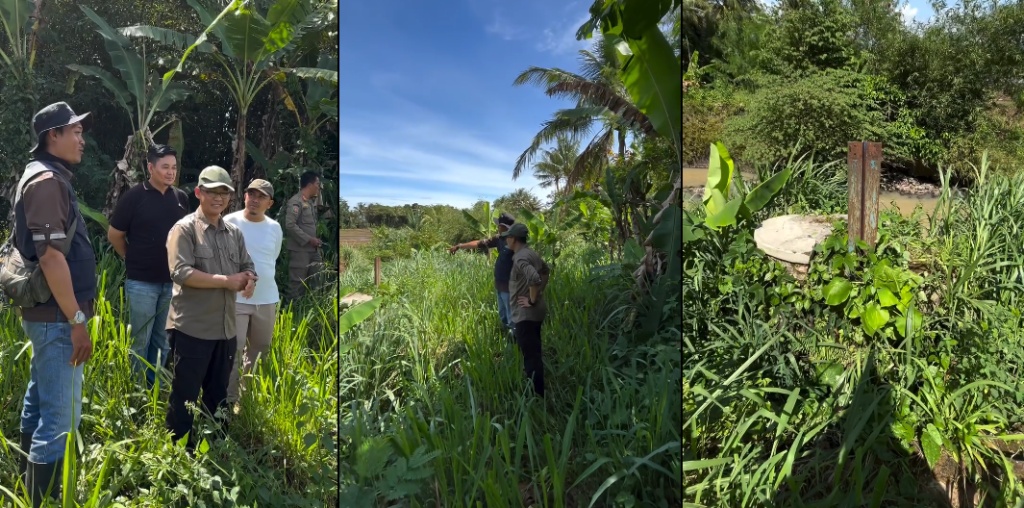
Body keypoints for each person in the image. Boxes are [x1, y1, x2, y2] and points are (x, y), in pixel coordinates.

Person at [13, 102, 96, 506]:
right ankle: (42, 501)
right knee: (60, 421)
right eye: (74, 132)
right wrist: (76, 319)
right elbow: (50, 258)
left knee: (40, 398)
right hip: (58, 318)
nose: (82, 138)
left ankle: (24, 482)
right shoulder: (46, 181)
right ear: (53, 136)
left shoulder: (49, 176)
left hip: (49, 315)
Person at [165, 166, 257, 453]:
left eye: (224, 192)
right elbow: (180, 272)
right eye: (211, 192)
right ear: (198, 193)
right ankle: (179, 450)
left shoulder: (234, 234)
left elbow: (248, 266)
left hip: (225, 328)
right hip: (192, 328)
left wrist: (250, 280)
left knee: (218, 392)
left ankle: (216, 444)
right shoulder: (184, 229)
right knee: (185, 393)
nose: (218, 198)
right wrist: (227, 282)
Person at [108, 144, 190, 388]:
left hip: (171, 283)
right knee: (139, 339)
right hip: (142, 283)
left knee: (163, 340)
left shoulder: (181, 199)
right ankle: (136, 389)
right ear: (150, 167)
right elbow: (115, 234)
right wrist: (130, 258)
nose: (170, 172)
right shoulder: (134, 197)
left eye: (173, 167)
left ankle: (154, 389)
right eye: (165, 167)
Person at [224, 179, 282, 408]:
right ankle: (227, 403)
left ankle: (248, 403)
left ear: (270, 203)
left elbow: (271, 258)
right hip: (235, 299)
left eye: (261, 196)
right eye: (251, 194)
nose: (255, 200)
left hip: (266, 299)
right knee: (233, 350)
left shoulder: (274, 227)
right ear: (245, 196)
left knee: (260, 351)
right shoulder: (229, 222)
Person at [502, 223, 551, 397]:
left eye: (508, 236)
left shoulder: (520, 257)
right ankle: (538, 387)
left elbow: (535, 278)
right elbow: (546, 271)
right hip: (536, 312)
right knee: (535, 352)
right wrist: (537, 296)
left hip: (526, 315)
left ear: (513, 239)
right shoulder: (531, 253)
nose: (506, 239)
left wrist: (531, 299)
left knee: (531, 357)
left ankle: (537, 396)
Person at [448, 213, 516, 331]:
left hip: (511, 286)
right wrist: (459, 246)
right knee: (503, 315)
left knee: (513, 319)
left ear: (505, 227)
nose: (497, 228)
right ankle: (508, 338)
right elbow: (479, 243)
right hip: (500, 284)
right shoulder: (498, 239)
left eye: (499, 225)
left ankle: (517, 343)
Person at [284, 171, 322, 300]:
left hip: (313, 250)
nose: (319, 186)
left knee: (317, 280)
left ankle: (313, 309)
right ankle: (293, 312)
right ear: (310, 184)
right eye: (317, 184)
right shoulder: (296, 202)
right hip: (300, 250)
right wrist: (308, 239)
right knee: (297, 283)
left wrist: (314, 240)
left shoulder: (310, 203)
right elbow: (290, 225)